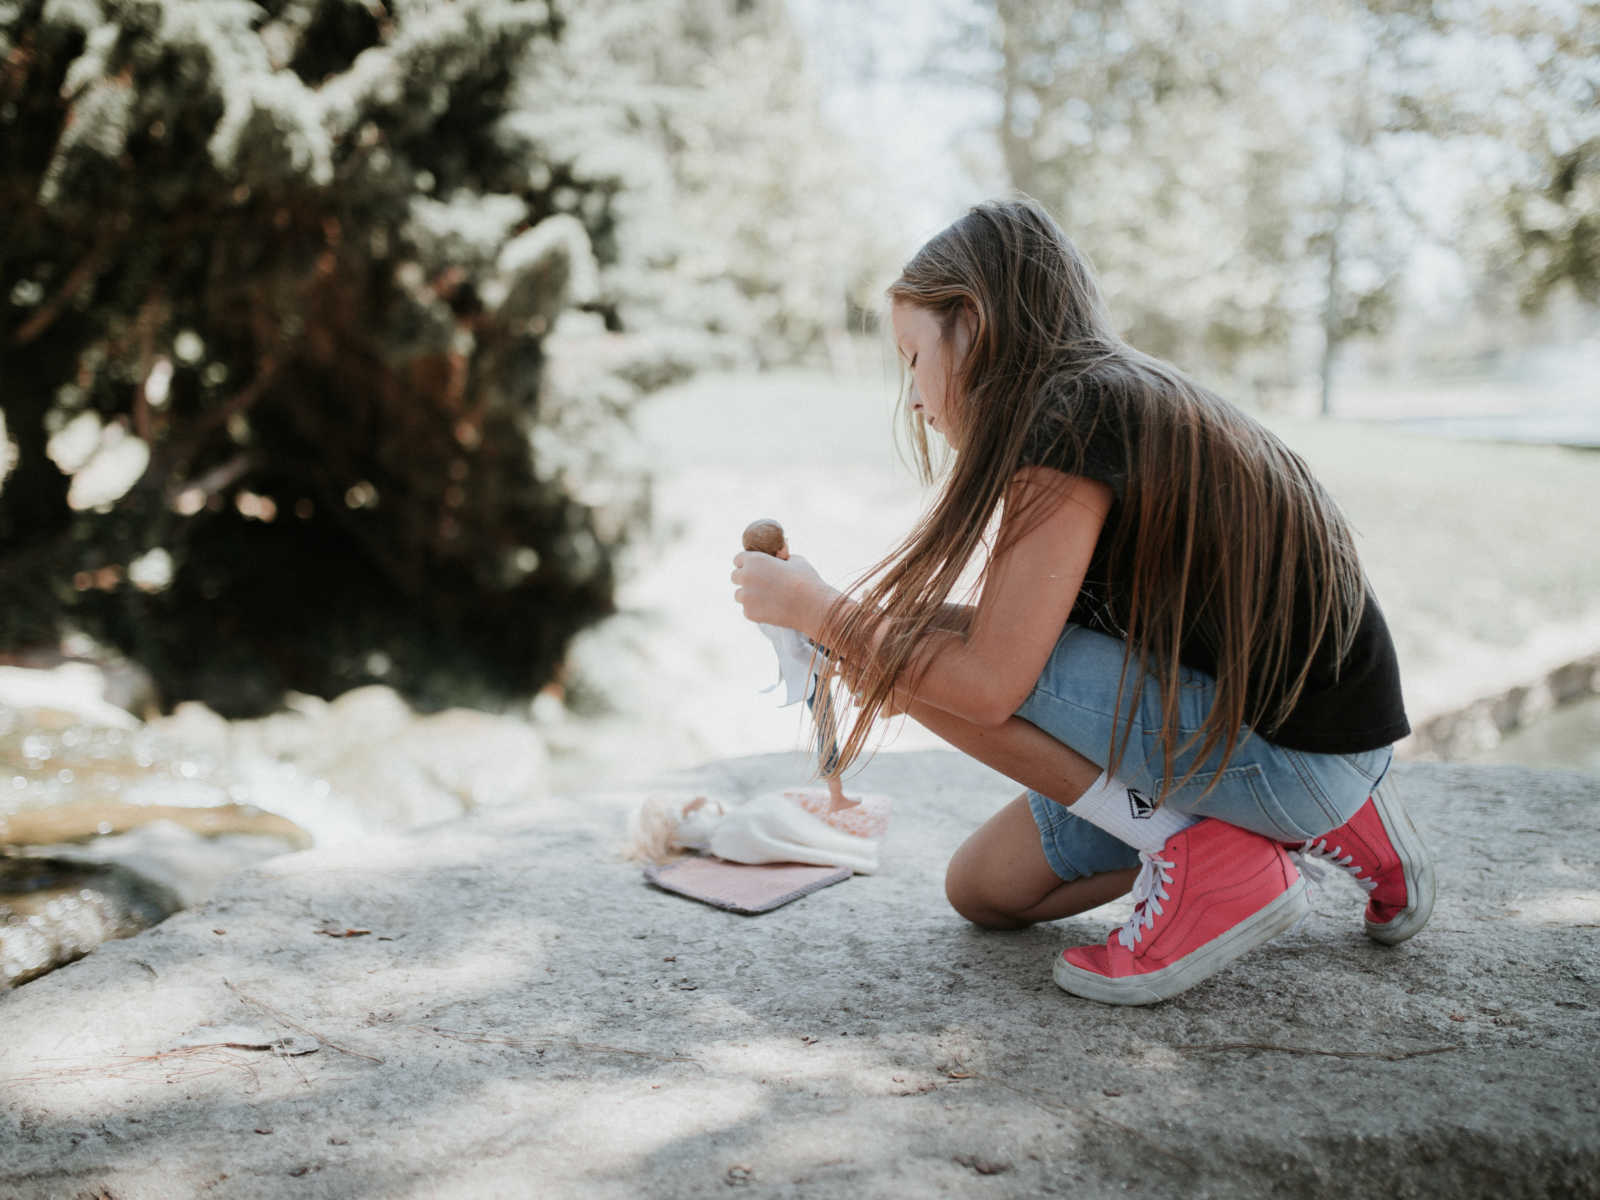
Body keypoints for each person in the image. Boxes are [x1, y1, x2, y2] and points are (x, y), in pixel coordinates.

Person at [729, 196, 1435, 1006]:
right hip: (1299, 735)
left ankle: (1207, 854)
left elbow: (992, 681)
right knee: (984, 890)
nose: (917, 399)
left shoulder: (1076, 417)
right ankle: (1318, 826)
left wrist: (820, 612)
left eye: (914, 356)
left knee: (927, 658)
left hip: (1291, 754)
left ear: (975, 323)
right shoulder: (1097, 399)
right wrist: (859, 633)